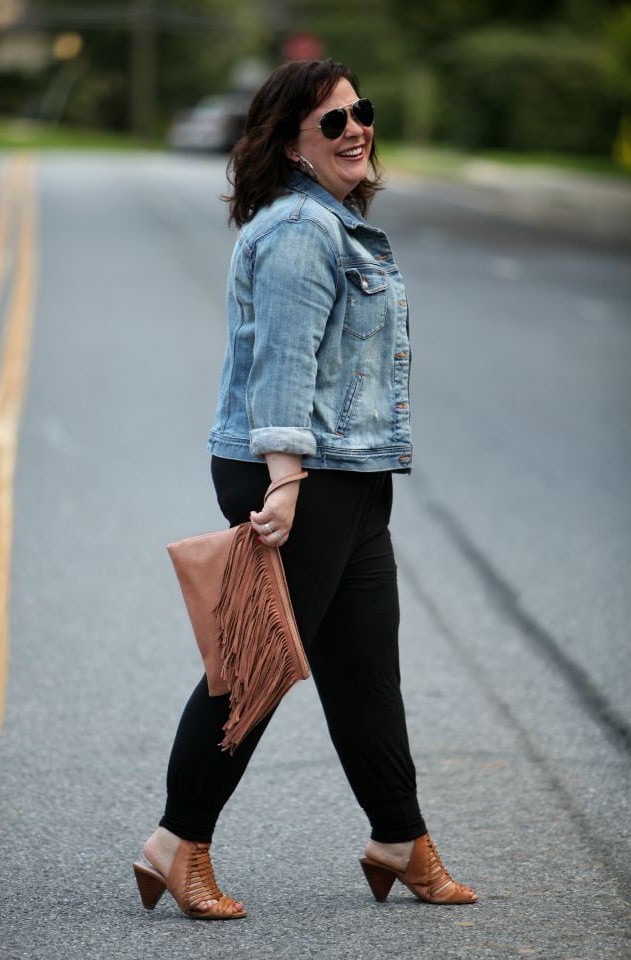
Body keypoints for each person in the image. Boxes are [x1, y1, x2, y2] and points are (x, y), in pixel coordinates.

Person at [133, 58, 478, 921]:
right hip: (296, 476)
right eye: (332, 121)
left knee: (365, 667)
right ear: (293, 145)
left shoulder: (337, 227)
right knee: (254, 665)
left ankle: (399, 837)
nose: (357, 128)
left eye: (361, 110)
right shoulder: (299, 232)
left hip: (350, 477)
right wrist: (286, 484)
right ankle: (178, 842)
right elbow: (283, 370)